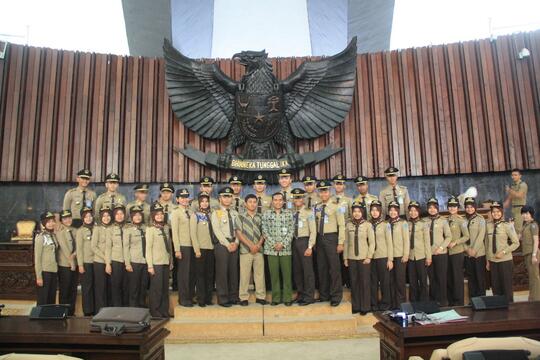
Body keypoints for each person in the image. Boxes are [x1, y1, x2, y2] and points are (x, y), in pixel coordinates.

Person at [315, 180, 346, 306]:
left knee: (334, 268)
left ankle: (336, 296)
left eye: (326, 191)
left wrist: (340, 243)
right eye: (321, 191)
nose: (323, 194)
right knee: (322, 268)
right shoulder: (316, 207)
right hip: (320, 238)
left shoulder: (336, 206)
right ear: (319, 193)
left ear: (330, 191)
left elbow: (342, 225)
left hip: (332, 238)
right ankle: (324, 295)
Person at [262, 192, 294, 306]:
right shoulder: (266, 214)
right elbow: (264, 230)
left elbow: (291, 231)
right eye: (275, 200)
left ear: (284, 201)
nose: (278, 202)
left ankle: (287, 298)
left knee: (287, 275)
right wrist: (274, 244)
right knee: (274, 275)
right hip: (271, 249)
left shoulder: (289, 214)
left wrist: (283, 244)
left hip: (286, 250)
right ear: (272, 201)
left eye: (280, 200)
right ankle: (275, 298)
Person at [211, 187, 240, 307]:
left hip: (235, 244)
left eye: (229, 196)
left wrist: (237, 242)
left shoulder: (235, 213)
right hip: (223, 245)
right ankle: (223, 298)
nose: (227, 199)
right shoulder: (216, 213)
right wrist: (228, 244)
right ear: (220, 198)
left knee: (234, 271)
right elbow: (216, 230)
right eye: (225, 196)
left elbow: (239, 229)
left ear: (232, 198)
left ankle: (233, 296)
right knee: (222, 272)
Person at [344, 202, 375, 314]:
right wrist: (345, 258)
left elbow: (372, 242)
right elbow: (346, 242)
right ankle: (356, 306)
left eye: (358, 211)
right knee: (354, 282)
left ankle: (365, 307)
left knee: (365, 282)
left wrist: (369, 257)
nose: (356, 214)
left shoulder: (367, 225)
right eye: (354, 211)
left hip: (364, 258)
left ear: (362, 212)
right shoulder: (349, 225)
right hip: (352, 258)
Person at [486, 201, 519, 303]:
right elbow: (487, 244)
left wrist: (504, 252)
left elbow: (516, 243)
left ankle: (510, 309)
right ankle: (498, 308)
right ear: (491, 213)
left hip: (505, 261)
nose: (496, 213)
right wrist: (488, 260)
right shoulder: (488, 225)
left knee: (507, 287)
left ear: (502, 212)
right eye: (494, 212)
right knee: (496, 287)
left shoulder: (507, 225)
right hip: (493, 261)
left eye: (498, 211)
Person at [236, 194, 267, 306]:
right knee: (245, 275)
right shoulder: (240, 217)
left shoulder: (261, 216)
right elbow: (239, 233)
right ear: (245, 204)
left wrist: (258, 245)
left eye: (254, 202)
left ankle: (260, 296)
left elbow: (264, 232)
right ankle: (243, 297)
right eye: (250, 202)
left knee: (259, 274)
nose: (253, 204)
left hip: (258, 250)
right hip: (245, 250)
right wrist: (250, 246)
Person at [146, 202, 173, 318]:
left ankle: (164, 310)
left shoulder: (166, 227)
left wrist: (171, 261)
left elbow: (169, 246)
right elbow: (148, 248)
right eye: (157, 214)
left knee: (164, 288)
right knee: (156, 289)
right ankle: (155, 311)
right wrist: (150, 266)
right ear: (153, 216)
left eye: (161, 214)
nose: (160, 216)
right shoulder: (150, 229)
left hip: (165, 262)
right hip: (156, 263)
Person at [291, 188, 316, 306]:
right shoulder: (291, 213)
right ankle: (300, 294)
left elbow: (313, 231)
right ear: (293, 199)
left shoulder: (309, 212)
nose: (298, 200)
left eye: (300, 197)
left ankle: (309, 296)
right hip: (294, 242)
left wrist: (310, 246)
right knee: (297, 270)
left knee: (308, 271)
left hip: (304, 242)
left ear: (303, 199)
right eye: (295, 197)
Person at [170, 188, 195, 307]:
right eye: (182, 197)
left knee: (191, 273)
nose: (185, 200)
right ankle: (183, 298)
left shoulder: (191, 212)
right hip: (183, 246)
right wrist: (177, 249)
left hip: (193, 246)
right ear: (177, 199)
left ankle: (190, 296)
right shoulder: (176, 212)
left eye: (186, 197)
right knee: (183, 274)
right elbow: (174, 232)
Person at [190, 193, 215, 307]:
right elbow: (193, 234)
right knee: (200, 275)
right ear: (199, 203)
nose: (205, 203)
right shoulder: (195, 215)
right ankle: (201, 299)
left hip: (211, 248)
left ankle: (209, 298)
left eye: (206, 201)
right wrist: (196, 250)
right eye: (202, 201)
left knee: (210, 275)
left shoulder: (212, 214)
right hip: (200, 249)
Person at [425, 197, 451, 307]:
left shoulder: (443, 221)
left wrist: (441, 248)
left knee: (441, 278)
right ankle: (433, 301)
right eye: (430, 208)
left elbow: (449, 237)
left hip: (441, 254)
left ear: (437, 209)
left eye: (434, 208)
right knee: (432, 279)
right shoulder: (424, 221)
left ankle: (443, 301)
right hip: (429, 255)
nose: (432, 210)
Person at [123, 205, 149, 308]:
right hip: (134, 262)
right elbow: (125, 247)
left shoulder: (146, 228)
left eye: (139, 215)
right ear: (131, 217)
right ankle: (133, 310)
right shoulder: (128, 230)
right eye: (135, 215)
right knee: (134, 288)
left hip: (145, 261)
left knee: (143, 286)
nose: (138, 217)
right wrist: (127, 263)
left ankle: (142, 308)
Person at [369, 200, 393, 311]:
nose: (374, 212)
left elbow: (390, 242)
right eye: (372, 210)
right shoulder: (367, 224)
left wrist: (390, 259)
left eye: (376, 210)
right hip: (371, 257)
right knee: (373, 282)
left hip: (383, 256)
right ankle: (374, 304)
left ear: (380, 212)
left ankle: (385, 304)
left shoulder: (385, 224)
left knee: (384, 282)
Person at [446, 196, 469, 306]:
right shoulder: (446, 220)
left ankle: (459, 301)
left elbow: (466, 236)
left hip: (457, 252)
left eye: (454, 206)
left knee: (457, 278)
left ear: (458, 208)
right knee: (449, 277)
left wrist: (455, 242)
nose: (452, 208)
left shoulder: (461, 220)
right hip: (447, 253)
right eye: (450, 206)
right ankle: (451, 301)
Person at [464, 197, 487, 299]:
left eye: (471, 207)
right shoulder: (463, 220)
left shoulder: (481, 219)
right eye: (467, 207)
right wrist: (467, 249)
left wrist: (474, 250)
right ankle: (472, 300)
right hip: (467, 254)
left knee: (480, 277)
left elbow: (481, 235)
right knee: (471, 278)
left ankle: (482, 300)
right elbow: (461, 237)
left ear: (475, 207)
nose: (469, 209)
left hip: (478, 254)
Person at [407, 201, 431, 302]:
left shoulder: (423, 224)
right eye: (411, 211)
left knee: (423, 281)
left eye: (415, 211)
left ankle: (424, 302)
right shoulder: (406, 224)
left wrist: (428, 257)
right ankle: (414, 302)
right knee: (412, 282)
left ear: (418, 212)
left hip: (421, 256)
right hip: (410, 256)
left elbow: (427, 241)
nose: (413, 213)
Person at [56, 210, 78, 315]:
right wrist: (72, 262)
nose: (68, 220)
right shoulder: (59, 232)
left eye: (69, 217)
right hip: (65, 265)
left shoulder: (75, 230)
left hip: (75, 264)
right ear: (61, 221)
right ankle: (62, 312)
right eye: (65, 219)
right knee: (65, 289)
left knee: (73, 289)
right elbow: (65, 249)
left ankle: (71, 312)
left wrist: (75, 255)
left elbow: (79, 246)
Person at [388, 201, 409, 309]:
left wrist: (406, 254)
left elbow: (406, 240)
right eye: (390, 210)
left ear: (398, 211)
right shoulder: (387, 223)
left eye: (394, 210)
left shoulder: (403, 223)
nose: (392, 212)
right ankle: (393, 305)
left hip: (400, 256)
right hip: (390, 257)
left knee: (400, 281)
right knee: (391, 281)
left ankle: (401, 306)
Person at [106, 204, 128, 307]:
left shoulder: (129, 227)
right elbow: (108, 247)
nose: (120, 216)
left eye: (122, 213)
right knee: (116, 286)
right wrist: (108, 264)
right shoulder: (110, 229)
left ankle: (126, 309)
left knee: (126, 286)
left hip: (127, 261)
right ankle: (117, 309)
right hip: (116, 261)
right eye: (117, 214)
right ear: (114, 216)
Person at [34, 211, 58, 305]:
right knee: (43, 299)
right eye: (48, 222)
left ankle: (49, 318)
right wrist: (39, 277)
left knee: (51, 299)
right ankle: (41, 319)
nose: (51, 224)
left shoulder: (53, 235)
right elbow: (37, 258)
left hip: (53, 271)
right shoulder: (40, 237)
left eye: (52, 221)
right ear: (44, 224)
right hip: (45, 272)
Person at [92, 205, 113, 312]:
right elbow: (93, 246)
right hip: (100, 262)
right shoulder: (97, 229)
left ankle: (108, 311)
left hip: (111, 262)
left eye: (108, 215)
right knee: (101, 287)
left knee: (110, 287)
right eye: (104, 216)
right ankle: (100, 311)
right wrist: (106, 259)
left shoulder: (113, 228)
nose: (106, 218)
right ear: (100, 217)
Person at [76, 206, 95, 315]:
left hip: (96, 262)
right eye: (86, 217)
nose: (88, 218)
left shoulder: (96, 228)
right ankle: (87, 311)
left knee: (95, 287)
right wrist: (80, 265)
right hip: (86, 263)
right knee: (87, 288)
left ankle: (95, 310)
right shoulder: (80, 231)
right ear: (82, 218)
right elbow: (79, 249)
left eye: (90, 216)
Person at [520, 205, 540, 301]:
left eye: (527, 213)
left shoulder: (533, 225)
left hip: (532, 253)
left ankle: (536, 299)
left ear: (531, 214)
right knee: (531, 276)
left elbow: (536, 241)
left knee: (534, 277)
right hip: (527, 253)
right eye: (523, 213)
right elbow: (519, 237)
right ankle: (532, 297)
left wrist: (534, 255)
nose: (525, 215)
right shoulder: (525, 225)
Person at [504, 169, 528, 235]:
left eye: (515, 175)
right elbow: (511, 196)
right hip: (513, 208)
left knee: (518, 229)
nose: (513, 177)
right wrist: (507, 202)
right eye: (512, 175)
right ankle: (516, 243)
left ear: (520, 176)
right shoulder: (513, 185)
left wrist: (509, 190)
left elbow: (519, 195)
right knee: (513, 227)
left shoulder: (523, 185)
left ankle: (519, 244)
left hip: (520, 208)